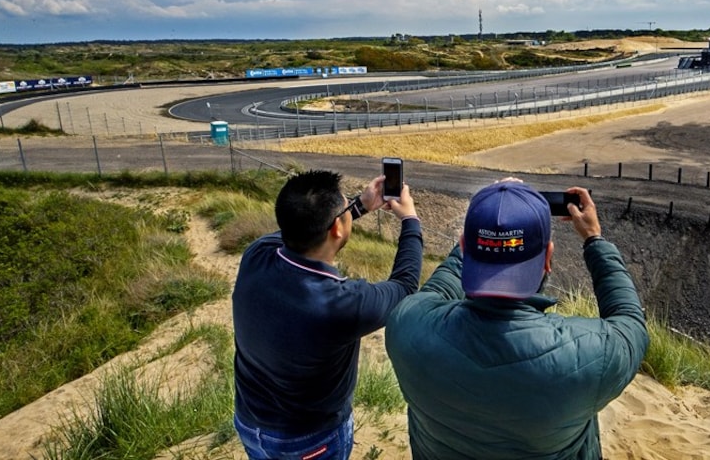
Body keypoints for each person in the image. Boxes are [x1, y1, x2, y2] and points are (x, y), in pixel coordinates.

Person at [385, 178, 648, 460]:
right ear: (548, 257)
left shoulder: (406, 325)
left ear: (464, 246)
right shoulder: (593, 355)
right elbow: (630, 321)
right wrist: (594, 239)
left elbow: (439, 288)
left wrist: (483, 228)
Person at [232, 169, 422, 460]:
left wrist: (359, 205)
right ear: (336, 228)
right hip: (309, 440)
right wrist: (410, 219)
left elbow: (301, 229)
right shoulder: (340, 305)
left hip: (249, 421)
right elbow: (405, 286)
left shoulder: (256, 256)